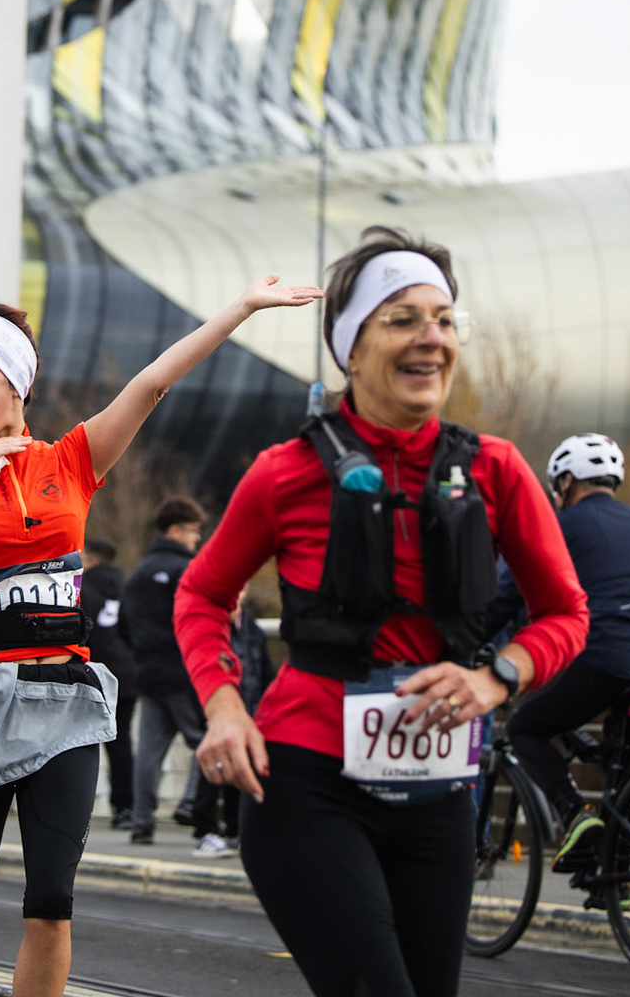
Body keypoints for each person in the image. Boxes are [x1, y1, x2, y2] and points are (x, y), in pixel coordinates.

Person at [0, 275, 319, 997]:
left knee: (51, 904)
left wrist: (243, 308)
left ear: (17, 383)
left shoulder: (70, 460)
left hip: (64, 704)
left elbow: (153, 382)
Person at [176, 227, 589, 997]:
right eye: (401, 319)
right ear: (350, 349)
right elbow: (201, 594)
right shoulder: (284, 472)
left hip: (441, 792)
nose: (429, 338)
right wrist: (225, 705)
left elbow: (565, 612)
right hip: (304, 781)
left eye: (443, 319)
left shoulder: (496, 468)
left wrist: (498, 677)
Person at [495, 433, 630, 879]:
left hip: (604, 657)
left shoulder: (562, 525)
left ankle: (576, 815)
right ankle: (618, 882)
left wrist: (476, 640)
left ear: (565, 481)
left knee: (525, 726)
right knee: (626, 760)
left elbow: (510, 591)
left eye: (557, 486)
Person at [122, 497, 211, 848]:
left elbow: (125, 626)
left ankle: (142, 823)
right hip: (184, 670)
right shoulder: (188, 569)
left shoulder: (139, 573)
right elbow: (199, 616)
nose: (197, 539)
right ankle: (191, 804)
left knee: (148, 751)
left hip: (147, 671)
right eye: (193, 531)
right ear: (175, 530)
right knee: (204, 740)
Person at [186, 586, 273, 857]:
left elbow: (264, 671)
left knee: (242, 766)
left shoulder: (251, 629)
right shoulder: (213, 626)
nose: (239, 591)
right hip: (216, 708)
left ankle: (236, 829)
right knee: (213, 767)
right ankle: (205, 829)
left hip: (249, 708)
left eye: (244, 587)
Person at [76, 536, 136, 830]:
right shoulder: (125, 586)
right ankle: (125, 808)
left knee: (79, 741)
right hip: (126, 671)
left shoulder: (81, 588)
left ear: (91, 559)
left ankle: (75, 808)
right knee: (121, 741)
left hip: (92, 672)